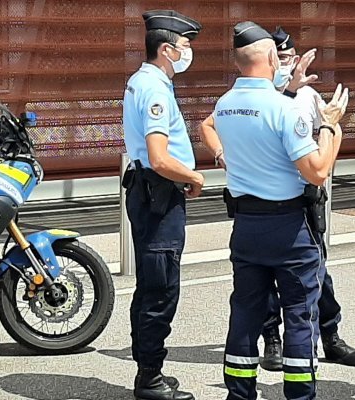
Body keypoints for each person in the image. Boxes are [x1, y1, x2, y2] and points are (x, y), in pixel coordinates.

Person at [199, 26, 355, 371]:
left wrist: (221, 154)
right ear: (274, 58)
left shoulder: (226, 103)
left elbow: (212, 126)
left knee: (245, 310)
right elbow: (317, 172)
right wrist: (331, 126)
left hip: (246, 224)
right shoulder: (283, 108)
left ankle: (240, 391)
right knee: (300, 311)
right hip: (289, 224)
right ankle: (299, 390)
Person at [121, 9, 204, 400]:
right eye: (186, 46)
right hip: (158, 193)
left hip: (148, 191)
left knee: (150, 284)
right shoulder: (154, 89)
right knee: (160, 286)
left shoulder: (142, 81)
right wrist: (193, 176)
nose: (190, 53)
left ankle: (148, 369)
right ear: (168, 49)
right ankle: (149, 378)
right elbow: (159, 157)